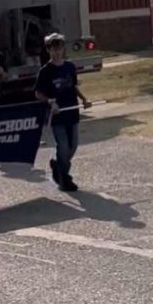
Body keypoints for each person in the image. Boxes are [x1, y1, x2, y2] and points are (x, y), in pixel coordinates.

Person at [34, 33, 91, 192]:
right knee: (64, 146)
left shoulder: (69, 67)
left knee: (73, 146)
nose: (57, 52)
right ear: (48, 51)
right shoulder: (45, 71)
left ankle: (58, 165)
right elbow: (38, 94)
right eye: (53, 50)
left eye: (59, 49)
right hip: (57, 115)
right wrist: (51, 102)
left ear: (63, 49)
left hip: (72, 112)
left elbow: (73, 86)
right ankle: (63, 176)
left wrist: (84, 100)